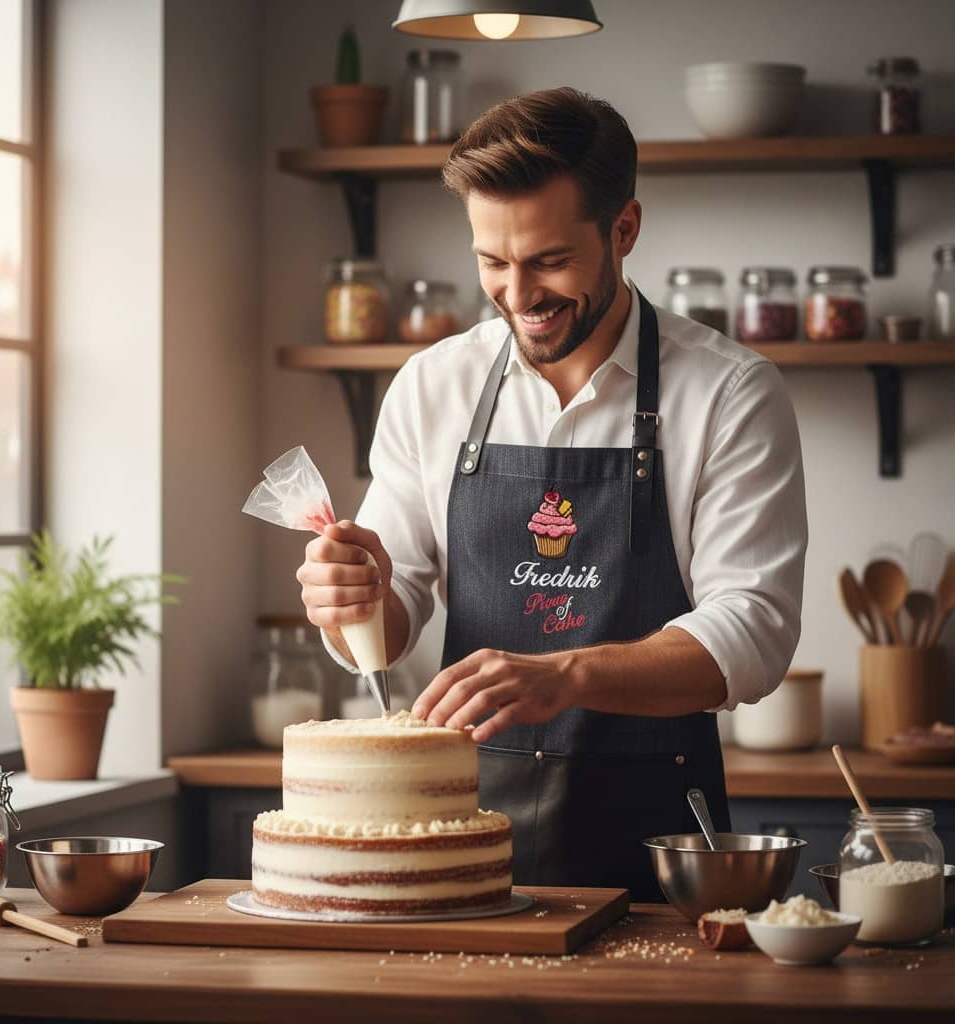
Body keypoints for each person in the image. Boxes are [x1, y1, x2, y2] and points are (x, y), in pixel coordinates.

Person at [296, 87, 807, 900]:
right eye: (491, 262)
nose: (518, 294)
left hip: (661, 851)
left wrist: (563, 675)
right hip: (461, 848)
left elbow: (754, 629)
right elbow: (393, 620)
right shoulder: (434, 386)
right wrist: (350, 597)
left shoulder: (729, 392)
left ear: (624, 230)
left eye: (550, 260)